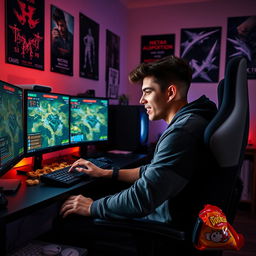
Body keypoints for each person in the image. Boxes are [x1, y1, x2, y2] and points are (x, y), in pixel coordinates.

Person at [60, 55, 217, 228]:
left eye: (147, 92)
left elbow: (141, 199)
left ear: (170, 92)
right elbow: (154, 171)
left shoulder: (182, 131)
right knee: (105, 190)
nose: (142, 100)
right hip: (173, 208)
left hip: (165, 221)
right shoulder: (192, 121)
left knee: (70, 220)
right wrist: (107, 173)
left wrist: (92, 206)